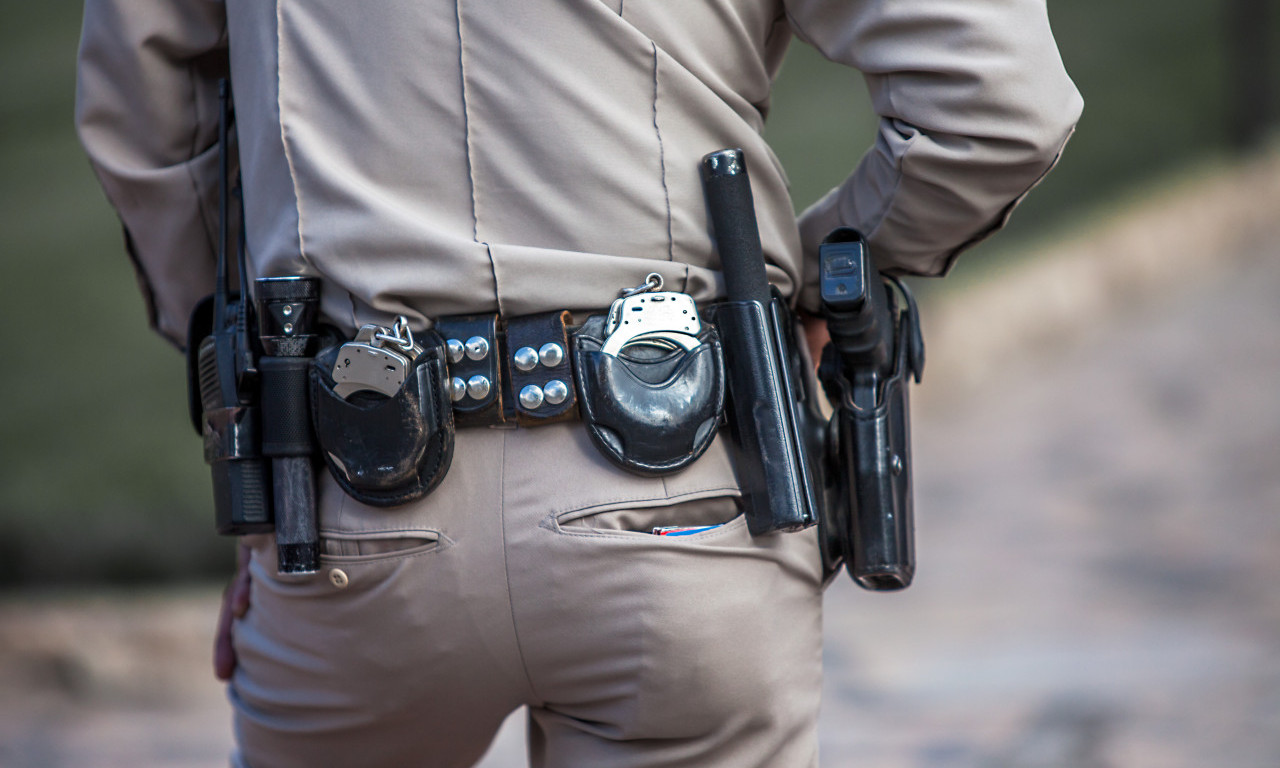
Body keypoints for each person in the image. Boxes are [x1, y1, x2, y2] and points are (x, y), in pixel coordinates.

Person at [76, 1, 1081, 766]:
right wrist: (816, 284)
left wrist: (262, 427)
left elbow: (149, 126)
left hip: (348, 508)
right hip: (689, 494)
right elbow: (997, 107)